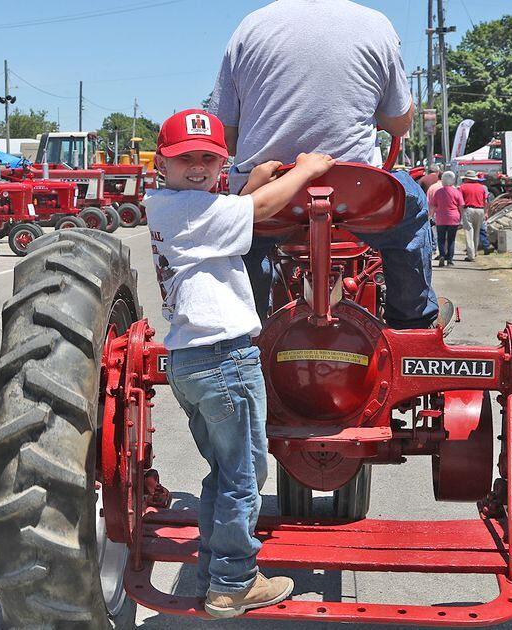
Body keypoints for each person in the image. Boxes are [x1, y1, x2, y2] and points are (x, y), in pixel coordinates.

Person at [143, 109, 336, 619]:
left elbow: (235, 204)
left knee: (223, 472)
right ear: (162, 163)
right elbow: (264, 207)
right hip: (225, 359)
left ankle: (212, 571)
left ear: (222, 163)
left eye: (209, 157)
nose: (199, 166)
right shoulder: (192, 211)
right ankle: (234, 583)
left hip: (192, 360)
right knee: (245, 475)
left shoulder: (170, 205)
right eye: (186, 158)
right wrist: (307, 171)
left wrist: (247, 183)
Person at [210, 0, 438, 330]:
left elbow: (226, 137)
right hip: (355, 192)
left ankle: (246, 327)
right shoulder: (376, 25)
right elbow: (400, 125)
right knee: (413, 210)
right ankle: (412, 324)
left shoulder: (249, 27)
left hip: (270, 193)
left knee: (247, 236)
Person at [431, 171, 463, 266]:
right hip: (453, 218)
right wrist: (461, 218)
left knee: (441, 239)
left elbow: (433, 205)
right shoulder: (456, 192)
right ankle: (450, 259)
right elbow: (461, 206)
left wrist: (431, 216)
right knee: (451, 239)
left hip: (441, 218)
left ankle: (441, 255)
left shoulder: (438, 192)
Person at [459, 170, 487, 261]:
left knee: (469, 231)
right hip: (480, 210)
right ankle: (475, 252)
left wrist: (460, 212)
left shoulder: (462, 187)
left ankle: (471, 254)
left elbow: (460, 202)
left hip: (468, 209)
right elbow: (485, 201)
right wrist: (486, 212)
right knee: (477, 232)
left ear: (467, 179)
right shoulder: (482, 187)